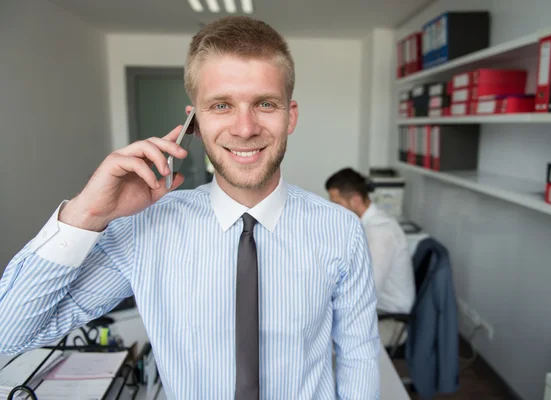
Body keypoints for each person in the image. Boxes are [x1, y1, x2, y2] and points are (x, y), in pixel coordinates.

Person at [0, 17, 380, 399]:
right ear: (194, 121)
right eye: (221, 105)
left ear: (290, 116)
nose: (245, 128)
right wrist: (86, 215)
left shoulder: (341, 229)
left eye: (265, 104)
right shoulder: (144, 228)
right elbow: (10, 333)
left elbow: (358, 355)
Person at [325, 168, 415, 346]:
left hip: (388, 320)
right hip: (374, 312)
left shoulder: (381, 232)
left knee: (316, 339)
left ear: (355, 200)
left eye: (337, 203)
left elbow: (367, 291)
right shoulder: (363, 225)